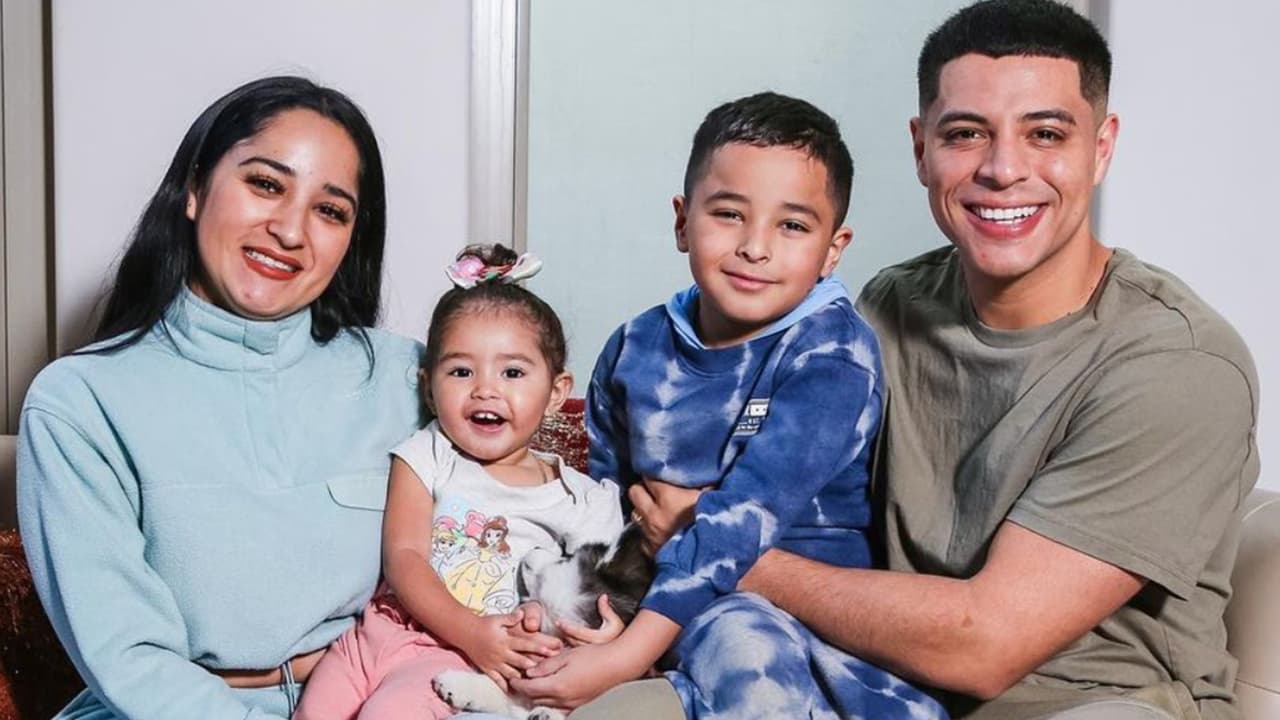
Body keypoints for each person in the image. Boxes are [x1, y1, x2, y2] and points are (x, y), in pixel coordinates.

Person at [594, 1, 1261, 719]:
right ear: (921, 149)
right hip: (871, 676)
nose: (1004, 169)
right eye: (966, 134)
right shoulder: (886, 309)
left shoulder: (1178, 364)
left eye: (1045, 134)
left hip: (1096, 701)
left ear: (1100, 149)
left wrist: (706, 542)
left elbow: (987, 646)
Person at [512, 92, 947, 720]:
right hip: (663, 607)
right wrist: (604, 620)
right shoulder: (635, 346)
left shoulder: (832, 355)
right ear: (682, 221)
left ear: (833, 249)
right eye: (729, 214)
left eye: (792, 226)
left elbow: (740, 521)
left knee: (748, 651)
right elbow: (607, 510)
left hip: (803, 610)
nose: (755, 247)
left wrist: (627, 656)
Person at [17, 76, 425, 719]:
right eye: (266, 184)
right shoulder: (79, 402)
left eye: (330, 210)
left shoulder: (409, 378)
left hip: (377, 696)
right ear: (194, 188)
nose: (290, 230)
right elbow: (129, 657)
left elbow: (508, 536)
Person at [294, 244, 624, 720]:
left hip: (461, 658)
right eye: (461, 371)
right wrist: (468, 627)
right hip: (377, 634)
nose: (485, 389)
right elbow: (404, 556)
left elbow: (606, 597)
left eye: (512, 372)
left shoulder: (581, 500)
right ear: (429, 388)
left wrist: (609, 637)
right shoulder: (427, 453)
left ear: (556, 392)